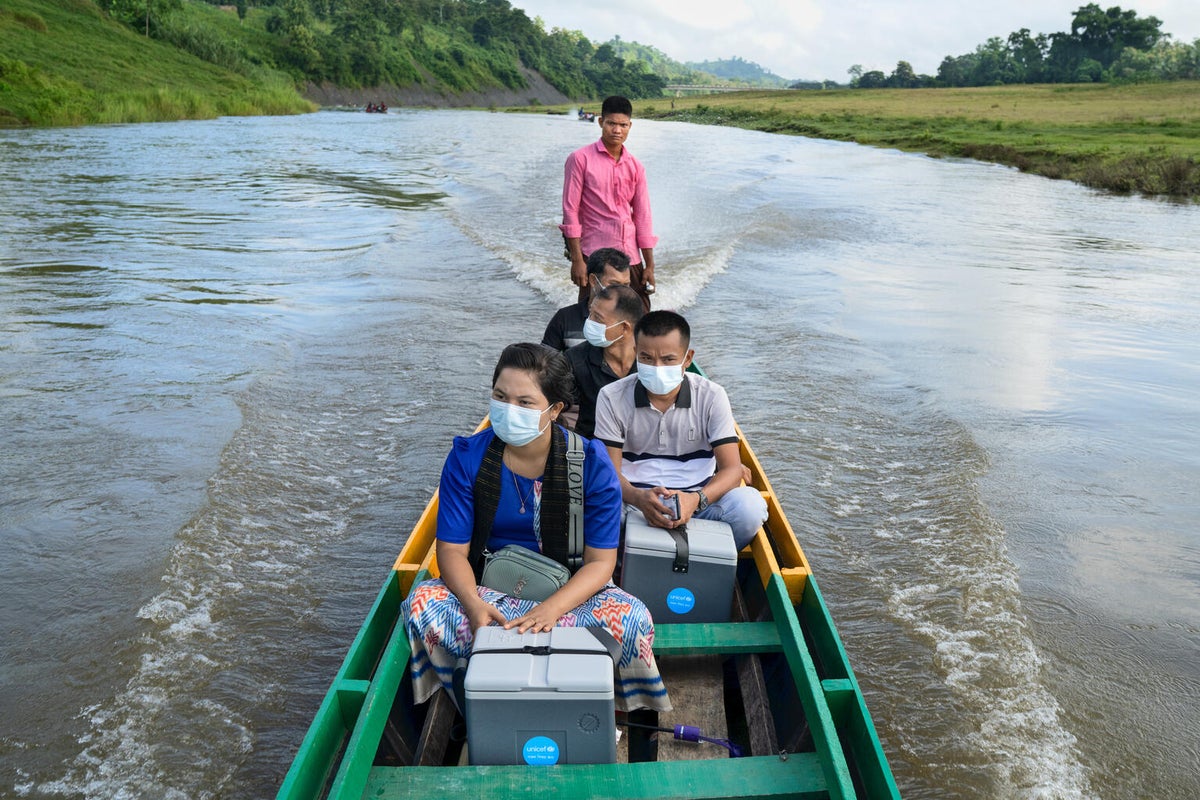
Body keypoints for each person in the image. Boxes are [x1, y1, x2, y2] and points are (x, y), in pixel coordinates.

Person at [401, 343, 670, 713]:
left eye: (525, 402)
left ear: (555, 409)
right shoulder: (468, 457)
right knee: (420, 604)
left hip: (570, 596)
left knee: (632, 617)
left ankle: (606, 708)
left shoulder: (591, 463)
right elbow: (451, 551)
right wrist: (475, 606)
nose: (509, 409)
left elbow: (600, 564)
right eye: (500, 396)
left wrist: (549, 611)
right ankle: (473, 703)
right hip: (487, 592)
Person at [594, 311, 767, 550]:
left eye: (667, 360)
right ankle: (621, 565)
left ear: (687, 359)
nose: (656, 367)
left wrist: (696, 500)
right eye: (646, 358)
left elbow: (732, 469)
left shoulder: (711, 396)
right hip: (633, 503)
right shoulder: (612, 397)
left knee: (750, 507)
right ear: (635, 353)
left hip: (700, 502)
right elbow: (609, 472)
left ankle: (709, 563)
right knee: (591, 502)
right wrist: (639, 499)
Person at [560, 95, 656, 312]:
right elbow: (570, 210)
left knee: (639, 316)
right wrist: (577, 260)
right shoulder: (579, 159)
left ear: (630, 126)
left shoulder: (636, 167)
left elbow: (643, 217)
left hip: (630, 256)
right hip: (594, 255)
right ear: (601, 122)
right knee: (592, 315)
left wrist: (649, 265)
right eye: (612, 123)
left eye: (623, 125)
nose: (617, 130)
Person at [565, 283, 644, 439]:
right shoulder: (574, 360)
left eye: (598, 318)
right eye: (590, 314)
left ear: (624, 328)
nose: (589, 322)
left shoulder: (653, 363)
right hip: (593, 446)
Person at [541, 247, 633, 352]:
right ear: (593, 281)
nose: (621, 290)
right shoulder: (565, 318)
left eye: (626, 285)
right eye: (614, 284)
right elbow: (545, 362)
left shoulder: (633, 321)